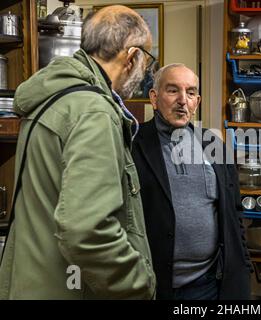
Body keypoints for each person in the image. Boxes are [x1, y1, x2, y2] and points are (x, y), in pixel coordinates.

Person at [0, 5, 157, 299]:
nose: (146, 69)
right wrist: (139, 285)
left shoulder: (54, 98)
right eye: (147, 59)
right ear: (132, 56)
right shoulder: (93, 112)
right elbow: (87, 230)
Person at [132, 63, 252, 300]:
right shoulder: (133, 144)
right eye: (173, 90)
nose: (182, 100)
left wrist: (243, 268)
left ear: (197, 101)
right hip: (151, 282)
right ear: (154, 98)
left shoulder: (214, 145)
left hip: (206, 284)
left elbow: (234, 213)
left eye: (190, 92)